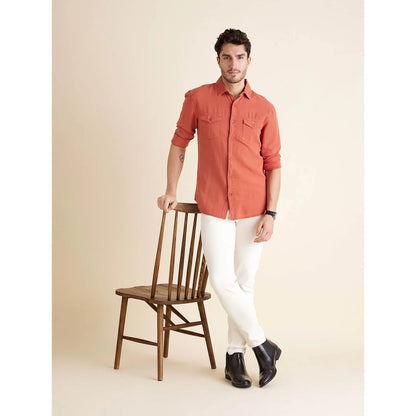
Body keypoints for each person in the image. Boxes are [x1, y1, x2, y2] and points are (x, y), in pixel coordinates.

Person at [157, 28, 282, 388]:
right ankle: (263, 346)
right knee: (223, 280)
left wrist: (271, 213)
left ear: (249, 60)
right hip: (213, 205)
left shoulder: (264, 108)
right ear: (218, 60)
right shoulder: (197, 99)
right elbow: (179, 144)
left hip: (254, 209)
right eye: (227, 57)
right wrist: (170, 189)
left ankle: (234, 358)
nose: (233, 64)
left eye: (239, 57)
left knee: (244, 284)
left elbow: (273, 164)